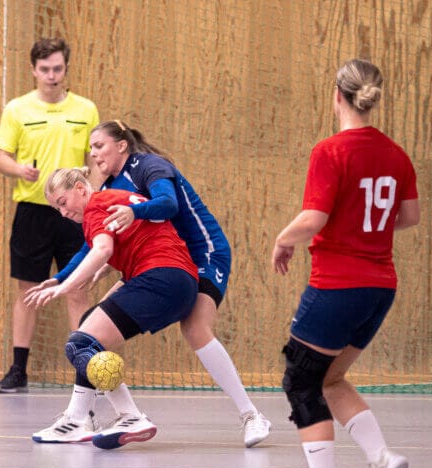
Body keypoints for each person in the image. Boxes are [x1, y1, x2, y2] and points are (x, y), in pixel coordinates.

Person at [50, 120, 272, 447]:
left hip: (203, 252)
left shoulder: (149, 166)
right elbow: (97, 241)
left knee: (195, 327)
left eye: (100, 146)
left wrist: (131, 216)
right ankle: (82, 417)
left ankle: (251, 415)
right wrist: (60, 278)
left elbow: (169, 205)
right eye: (91, 148)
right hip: (162, 260)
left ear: (122, 145)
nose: (94, 153)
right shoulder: (113, 184)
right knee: (93, 324)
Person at [272, 59, 420, 468]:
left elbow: (314, 218)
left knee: (300, 378)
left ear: (337, 95)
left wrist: (283, 238)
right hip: (380, 287)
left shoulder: (331, 151)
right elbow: (409, 217)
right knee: (331, 378)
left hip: (338, 284)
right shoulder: (395, 153)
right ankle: (381, 458)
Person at [26, 167, 200, 449]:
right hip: (180, 281)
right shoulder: (112, 200)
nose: (63, 213)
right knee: (87, 331)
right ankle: (76, 419)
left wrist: (65, 287)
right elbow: (105, 246)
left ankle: (130, 416)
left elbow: (102, 248)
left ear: (81, 189)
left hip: (159, 278)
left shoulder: (95, 207)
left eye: (62, 203)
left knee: (80, 343)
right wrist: (65, 277)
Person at [0, 37, 100, 393]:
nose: (51, 76)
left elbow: (97, 159)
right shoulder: (17, 109)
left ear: (66, 69)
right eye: (44, 69)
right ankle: (18, 370)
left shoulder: (86, 109)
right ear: (33, 70)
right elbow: (0, 157)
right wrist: (18, 169)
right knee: (28, 290)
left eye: (57, 69)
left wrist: (94, 195)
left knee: (77, 287)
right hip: (33, 213)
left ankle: (84, 369)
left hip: (75, 216)